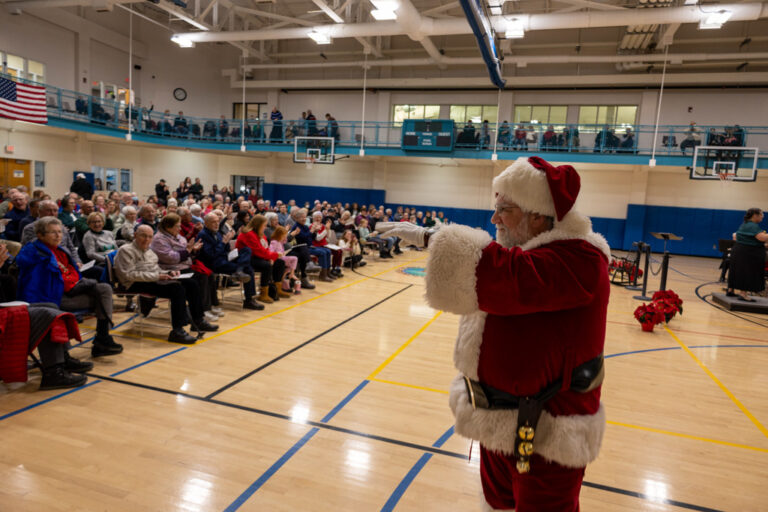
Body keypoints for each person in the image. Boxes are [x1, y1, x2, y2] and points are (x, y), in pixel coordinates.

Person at [376, 155, 610, 511]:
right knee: (497, 503)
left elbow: (507, 277)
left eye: (505, 209)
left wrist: (431, 237)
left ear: (538, 215)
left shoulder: (580, 259)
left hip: (547, 427)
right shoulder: (526, 248)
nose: (494, 218)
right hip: (499, 419)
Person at [16, 217, 121, 358]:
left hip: (66, 291)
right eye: (53, 232)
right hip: (50, 298)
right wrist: (82, 284)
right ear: (40, 235)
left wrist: (81, 283)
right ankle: (69, 354)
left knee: (104, 289)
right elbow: (52, 283)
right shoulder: (36, 253)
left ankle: (103, 337)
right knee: (102, 297)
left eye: (60, 232)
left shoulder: (58, 250)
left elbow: (71, 274)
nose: (58, 235)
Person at [115, 225, 218, 344]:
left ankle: (198, 321)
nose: (147, 239)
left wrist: (168, 272)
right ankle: (177, 331)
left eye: (149, 237)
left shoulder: (149, 251)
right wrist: (157, 276)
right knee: (176, 289)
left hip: (151, 279)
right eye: (143, 236)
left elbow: (155, 269)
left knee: (191, 283)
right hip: (134, 283)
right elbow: (128, 275)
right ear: (135, 235)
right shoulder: (125, 250)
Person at [151, 213, 223, 323]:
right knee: (200, 278)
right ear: (168, 227)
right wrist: (188, 250)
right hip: (170, 269)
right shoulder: (159, 239)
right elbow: (170, 258)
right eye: (178, 226)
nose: (180, 228)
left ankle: (209, 306)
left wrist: (193, 250)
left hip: (183, 266)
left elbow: (186, 253)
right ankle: (203, 310)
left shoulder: (178, 236)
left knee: (208, 274)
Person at [196, 213, 263, 310]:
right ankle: (248, 300)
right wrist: (224, 242)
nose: (216, 224)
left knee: (247, 250)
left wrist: (228, 241)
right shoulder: (203, 235)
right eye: (213, 222)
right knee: (248, 269)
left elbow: (225, 249)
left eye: (217, 221)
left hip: (224, 258)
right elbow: (211, 255)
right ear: (206, 223)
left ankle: (239, 270)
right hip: (214, 263)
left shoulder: (217, 232)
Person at [236, 215, 291, 304]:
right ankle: (263, 293)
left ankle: (277, 289)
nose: (265, 227)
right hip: (247, 259)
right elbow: (258, 251)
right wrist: (273, 256)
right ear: (258, 225)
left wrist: (271, 257)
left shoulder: (261, 234)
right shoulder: (248, 234)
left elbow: (265, 248)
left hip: (258, 256)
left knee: (280, 262)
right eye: (264, 225)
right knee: (266, 266)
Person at [726, 208, 768, 302]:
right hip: (747, 254)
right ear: (755, 215)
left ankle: (730, 289)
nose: (763, 216)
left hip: (740, 251)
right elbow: (762, 238)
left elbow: (737, 236)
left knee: (737, 271)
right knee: (747, 273)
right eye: (761, 215)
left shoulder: (745, 224)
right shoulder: (752, 226)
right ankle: (743, 294)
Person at [269, 226, 300, 294]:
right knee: (295, 258)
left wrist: (286, 231)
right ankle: (292, 274)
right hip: (278, 258)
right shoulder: (274, 242)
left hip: (282, 257)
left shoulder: (281, 241)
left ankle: (285, 280)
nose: (284, 237)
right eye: (283, 236)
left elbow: (286, 240)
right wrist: (278, 253)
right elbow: (271, 251)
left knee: (290, 265)